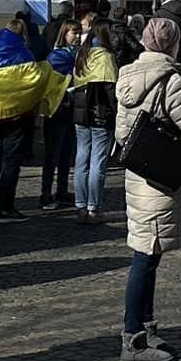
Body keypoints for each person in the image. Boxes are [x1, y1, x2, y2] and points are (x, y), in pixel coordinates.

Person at [115, 16, 181, 361]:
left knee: (147, 254)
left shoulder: (127, 76)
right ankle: (133, 339)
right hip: (160, 179)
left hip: (138, 175)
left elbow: (121, 134)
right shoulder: (170, 79)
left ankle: (145, 328)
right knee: (145, 258)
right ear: (173, 44)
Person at [0, 15, 39, 220]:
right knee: (10, 162)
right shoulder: (25, 54)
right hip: (16, 117)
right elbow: (34, 82)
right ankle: (6, 207)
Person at [69, 20, 120, 223]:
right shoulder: (106, 57)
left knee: (82, 158)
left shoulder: (82, 54)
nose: (115, 36)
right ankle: (94, 208)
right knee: (97, 161)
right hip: (100, 112)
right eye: (112, 32)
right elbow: (111, 89)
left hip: (80, 112)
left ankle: (81, 205)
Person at [39, 21, 80, 209]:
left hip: (71, 108)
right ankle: (45, 194)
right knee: (52, 154)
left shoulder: (77, 54)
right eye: (74, 33)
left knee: (67, 153)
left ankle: (62, 191)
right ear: (64, 34)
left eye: (79, 33)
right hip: (56, 109)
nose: (77, 37)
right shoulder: (57, 56)